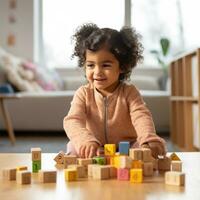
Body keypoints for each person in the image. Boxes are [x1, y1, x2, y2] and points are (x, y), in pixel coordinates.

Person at [63, 23, 166, 159]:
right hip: (94, 145)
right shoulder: (83, 94)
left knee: (143, 149)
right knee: (73, 146)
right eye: (90, 65)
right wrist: (85, 140)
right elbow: (73, 121)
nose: (97, 72)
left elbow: (141, 116)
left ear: (122, 66)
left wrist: (148, 139)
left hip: (128, 146)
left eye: (105, 65)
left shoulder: (130, 92)